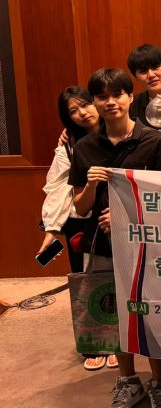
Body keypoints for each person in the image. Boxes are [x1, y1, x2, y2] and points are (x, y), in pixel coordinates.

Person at [68, 68, 161, 408]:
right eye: (102, 97)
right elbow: (80, 208)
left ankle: (159, 382)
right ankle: (128, 380)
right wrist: (90, 186)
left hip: (148, 245)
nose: (110, 102)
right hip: (104, 247)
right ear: (94, 102)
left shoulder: (155, 142)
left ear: (131, 98)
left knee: (152, 313)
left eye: (117, 94)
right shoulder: (85, 148)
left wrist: (127, 218)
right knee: (115, 314)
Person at [42, 87, 113, 372]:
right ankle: (93, 343)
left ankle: (116, 342)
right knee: (85, 282)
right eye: (73, 110)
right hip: (80, 219)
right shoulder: (68, 146)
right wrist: (51, 228)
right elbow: (57, 186)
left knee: (115, 280)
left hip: (111, 216)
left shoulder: (119, 133)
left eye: (85, 104)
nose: (82, 113)